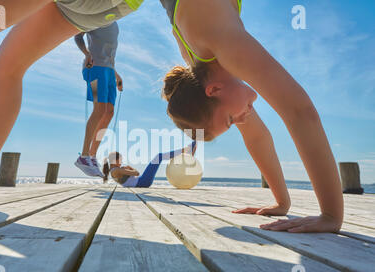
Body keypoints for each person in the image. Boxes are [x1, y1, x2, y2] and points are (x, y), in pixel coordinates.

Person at [0, 0, 143, 207]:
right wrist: (88, 54)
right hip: (118, 8)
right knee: (9, 65)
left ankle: (87, 155)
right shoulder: (107, 33)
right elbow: (86, 41)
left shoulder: (108, 38)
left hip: (94, 32)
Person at [159, 0, 344, 233]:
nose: (242, 121)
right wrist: (281, 202)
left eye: (230, 119)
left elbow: (300, 111)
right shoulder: (204, 71)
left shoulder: (221, 41)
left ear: (214, 91)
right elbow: (256, 136)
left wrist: (330, 215)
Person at [74, 22, 123, 178]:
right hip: (95, 69)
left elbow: (109, 55)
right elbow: (77, 36)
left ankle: (92, 156)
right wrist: (86, 53)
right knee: (100, 109)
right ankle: (83, 156)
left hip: (108, 71)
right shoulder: (97, 15)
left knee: (109, 112)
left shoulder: (115, 25)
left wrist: (116, 75)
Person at [103, 142, 196, 188]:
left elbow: (135, 174)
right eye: (120, 160)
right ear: (114, 161)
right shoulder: (117, 170)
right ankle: (186, 150)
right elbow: (136, 173)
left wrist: (127, 168)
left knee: (159, 157)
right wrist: (128, 168)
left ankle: (183, 152)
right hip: (143, 181)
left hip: (141, 181)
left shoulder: (115, 170)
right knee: (159, 157)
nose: (121, 162)